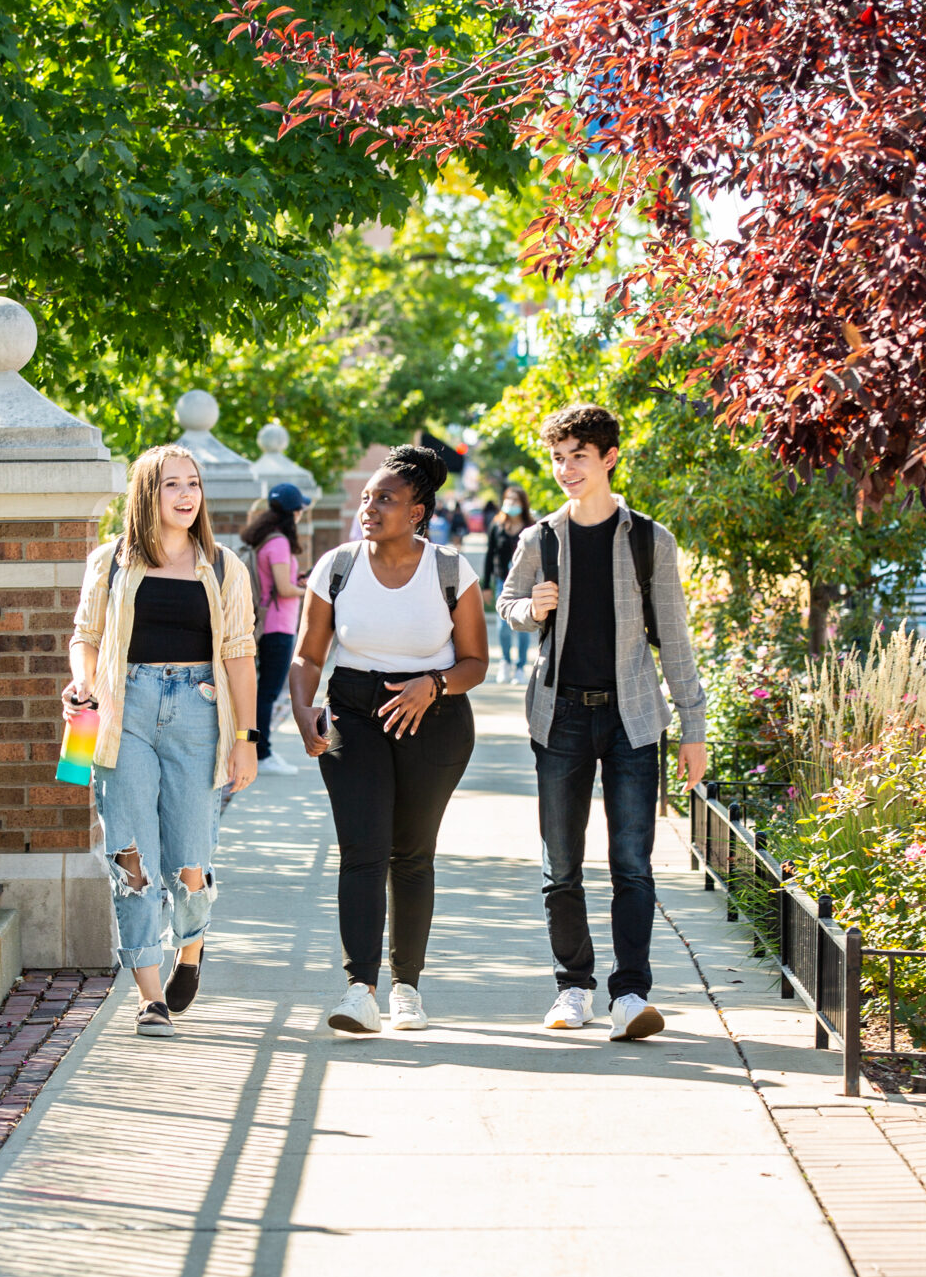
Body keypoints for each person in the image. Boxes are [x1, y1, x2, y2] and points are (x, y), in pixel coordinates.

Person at [498, 404, 708, 1042]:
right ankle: (573, 988)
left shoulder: (649, 540)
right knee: (559, 864)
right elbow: (506, 604)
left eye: (578, 457)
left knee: (631, 864)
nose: (565, 470)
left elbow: (673, 638)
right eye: (558, 458)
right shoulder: (539, 539)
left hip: (633, 719)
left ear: (609, 457)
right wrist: (529, 609)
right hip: (559, 715)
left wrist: (693, 728)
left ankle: (630, 993)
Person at [288, 445, 489, 1035]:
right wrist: (304, 711)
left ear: (418, 511)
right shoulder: (337, 566)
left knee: (411, 854)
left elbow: (475, 661)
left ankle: (407, 990)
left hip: (436, 716)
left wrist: (435, 683)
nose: (368, 507)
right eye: (367, 497)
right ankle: (360, 989)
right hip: (355, 712)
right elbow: (307, 655)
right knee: (362, 850)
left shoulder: (451, 569)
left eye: (385, 499)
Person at [65, 444, 260, 1038]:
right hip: (124, 709)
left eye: (193, 484)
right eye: (171, 484)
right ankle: (150, 996)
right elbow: (86, 635)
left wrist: (246, 739)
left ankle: (191, 948)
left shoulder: (224, 566)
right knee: (130, 856)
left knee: (191, 862)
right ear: (146, 494)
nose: (185, 495)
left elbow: (240, 654)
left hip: (199, 713)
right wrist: (81, 678)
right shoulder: (111, 562)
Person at [243, 482, 310, 776]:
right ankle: (262, 753)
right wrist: (307, 589)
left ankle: (255, 748)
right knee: (267, 694)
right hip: (277, 627)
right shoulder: (279, 542)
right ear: (294, 512)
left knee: (261, 693)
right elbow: (283, 588)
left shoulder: (264, 539)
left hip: (267, 625)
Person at [483, 485, 536, 684]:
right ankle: (506, 661)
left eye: (516, 501)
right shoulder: (497, 525)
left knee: (522, 624)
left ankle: (520, 666)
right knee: (503, 625)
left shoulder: (531, 527)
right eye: (508, 500)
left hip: (526, 582)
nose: (511, 504)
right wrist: (485, 584)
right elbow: (490, 554)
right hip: (502, 581)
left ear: (523, 504)